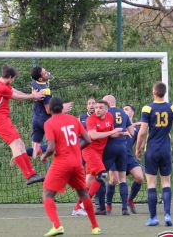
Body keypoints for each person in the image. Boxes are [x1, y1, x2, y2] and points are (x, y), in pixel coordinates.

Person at [41, 97, 101, 236]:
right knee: (83, 193)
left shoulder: (49, 123)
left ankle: (57, 226)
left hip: (61, 163)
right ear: (62, 107)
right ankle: (95, 227)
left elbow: (50, 148)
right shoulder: (74, 119)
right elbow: (87, 140)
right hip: (77, 163)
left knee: (47, 194)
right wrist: (76, 148)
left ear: (49, 109)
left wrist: (44, 156)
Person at [135, 81, 173, 226]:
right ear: (164, 92)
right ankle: (168, 216)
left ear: (154, 92)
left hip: (151, 150)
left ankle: (153, 218)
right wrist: (172, 121)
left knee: (151, 184)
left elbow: (143, 131)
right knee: (166, 182)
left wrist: (138, 148)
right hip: (165, 150)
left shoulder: (147, 108)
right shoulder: (172, 107)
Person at [0, 65, 45, 185]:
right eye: (13, 78)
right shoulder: (0, 87)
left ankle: (32, 174)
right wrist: (32, 96)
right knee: (15, 145)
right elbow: (16, 97)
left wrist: (31, 95)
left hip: (4, 119)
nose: (13, 80)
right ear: (9, 77)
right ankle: (29, 175)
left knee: (20, 144)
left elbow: (15, 91)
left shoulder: (3, 83)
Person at [72, 100, 124, 215]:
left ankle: (77, 208)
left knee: (89, 182)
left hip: (99, 152)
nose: (97, 110)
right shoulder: (91, 119)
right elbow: (93, 135)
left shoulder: (110, 117)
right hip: (89, 150)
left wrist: (120, 133)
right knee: (102, 175)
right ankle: (84, 205)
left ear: (107, 109)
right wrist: (112, 132)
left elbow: (111, 133)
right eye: (96, 108)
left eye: (100, 107)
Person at [100, 95, 134, 215]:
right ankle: (124, 208)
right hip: (122, 148)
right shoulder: (123, 113)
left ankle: (105, 206)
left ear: (108, 102)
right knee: (122, 179)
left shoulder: (107, 112)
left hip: (109, 148)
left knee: (102, 176)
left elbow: (104, 131)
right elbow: (131, 131)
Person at [30, 66, 72, 159]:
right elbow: (48, 110)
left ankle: (21, 154)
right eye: (45, 73)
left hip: (35, 118)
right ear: (40, 78)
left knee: (35, 149)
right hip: (45, 120)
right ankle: (52, 158)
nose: (47, 73)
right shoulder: (45, 90)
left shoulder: (34, 82)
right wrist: (61, 108)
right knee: (61, 141)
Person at [122, 104, 144, 214]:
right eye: (123, 109)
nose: (124, 111)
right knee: (112, 180)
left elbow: (146, 125)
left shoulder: (137, 128)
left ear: (132, 112)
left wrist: (135, 123)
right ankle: (105, 205)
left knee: (139, 177)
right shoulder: (118, 123)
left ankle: (129, 200)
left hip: (129, 157)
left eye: (126, 109)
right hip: (117, 156)